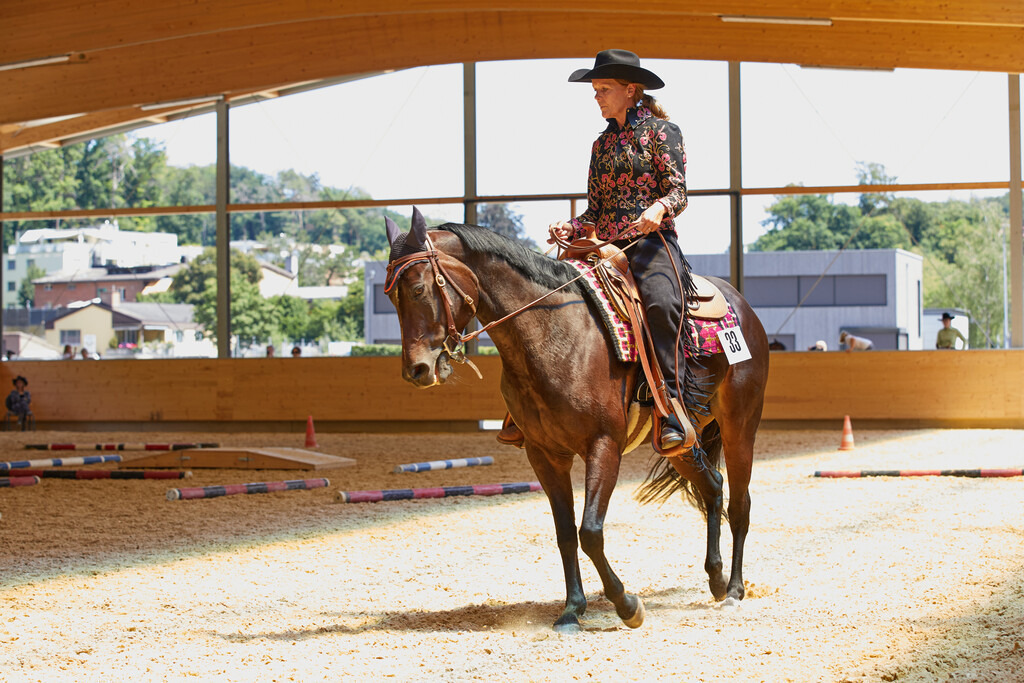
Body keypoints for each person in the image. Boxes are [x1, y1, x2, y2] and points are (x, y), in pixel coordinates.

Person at [498, 49, 694, 451]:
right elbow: (596, 210)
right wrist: (569, 226)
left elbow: (679, 192)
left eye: (604, 89)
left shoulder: (662, 132)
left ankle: (672, 407)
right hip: (599, 246)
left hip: (650, 244)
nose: (597, 96)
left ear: (630, 90)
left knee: (661, 303)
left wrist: (659, 207)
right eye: (595, 90)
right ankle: (528, 409)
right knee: (547, 299)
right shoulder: (601, 144)